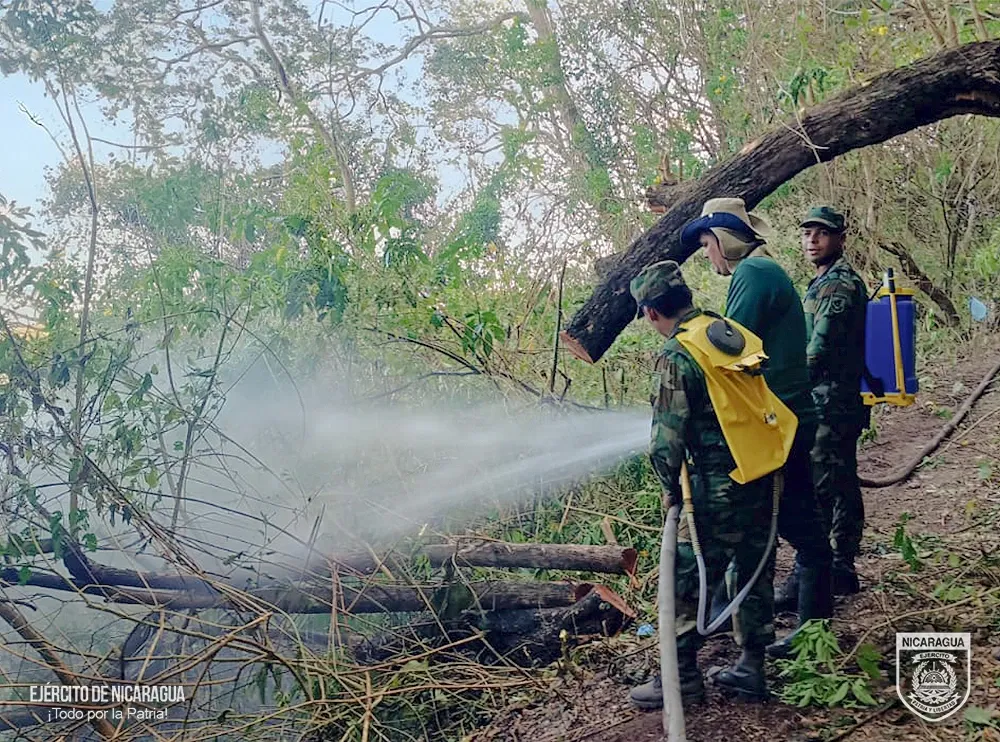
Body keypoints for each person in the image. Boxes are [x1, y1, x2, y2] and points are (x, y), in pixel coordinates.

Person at [678, 197, 833, 658]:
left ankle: (811, 634)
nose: (706, 254)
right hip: (784, 418)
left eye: (707, 244)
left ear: (724, 240)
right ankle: (804, 628)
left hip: (781, 422)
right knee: (793, 524)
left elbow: (728, 354)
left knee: (793, 527)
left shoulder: (753, 274)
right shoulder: (761, 270)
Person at [627, 259, 783, 709]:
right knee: (754, 571)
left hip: (716, 487)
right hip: (763, 471)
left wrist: (670, 490)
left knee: (683, 579)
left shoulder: (678, 354)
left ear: (651, 312)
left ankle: (680, 679)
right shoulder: (724, 332)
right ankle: (752, 667)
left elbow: (665, 442)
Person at [799, 206, 869, 596]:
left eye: (822, 233)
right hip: (831, 401)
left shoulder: (839, 286)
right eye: (807, 233)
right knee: (840, 481)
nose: (812, 240)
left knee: (825, 486)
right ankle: (839, 567)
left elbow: (818, 351)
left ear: (841, 238)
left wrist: (785, 385)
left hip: (832, 402)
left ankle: (822, 572)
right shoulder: (823, 281)